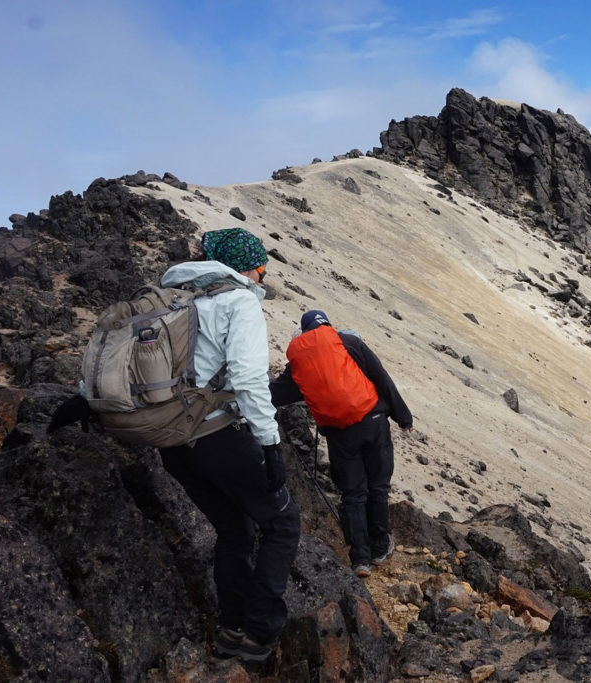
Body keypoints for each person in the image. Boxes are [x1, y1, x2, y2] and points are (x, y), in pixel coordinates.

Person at [156, 228, 300, 662]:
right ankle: (258, 635)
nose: (263, 273)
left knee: (234, 529)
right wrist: (270, 444)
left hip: (172, 441)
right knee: (281, 522)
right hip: (215, 432)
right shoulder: (238, 301)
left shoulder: (172, 298)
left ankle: (232, 630)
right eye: (261, 265)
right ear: (246, 266)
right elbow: (249, 377)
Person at [270, 309, 412, 578]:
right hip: (373, 420)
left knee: (353, 493)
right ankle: (380, 547)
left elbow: (277, 394)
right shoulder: (350, 342)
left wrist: (243, 398)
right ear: (327, 327)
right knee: (378, 487)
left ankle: (360, 559)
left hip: (340, 433)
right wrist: (402, 416)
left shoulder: (300, 361)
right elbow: (381, 377)